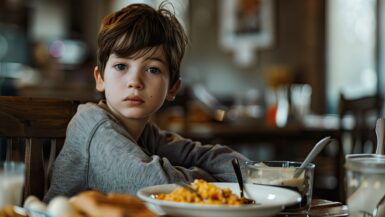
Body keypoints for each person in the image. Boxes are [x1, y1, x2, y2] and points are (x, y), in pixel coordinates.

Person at [44, 2, 249, 202]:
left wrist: (258, 174)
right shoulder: (93, 126)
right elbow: (160, 185)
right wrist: (215, 181)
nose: (135, 81)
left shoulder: (146, 134)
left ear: (172, 88)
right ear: (100, 78)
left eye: (152, 69)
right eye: (121, 66)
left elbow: (205, 156)